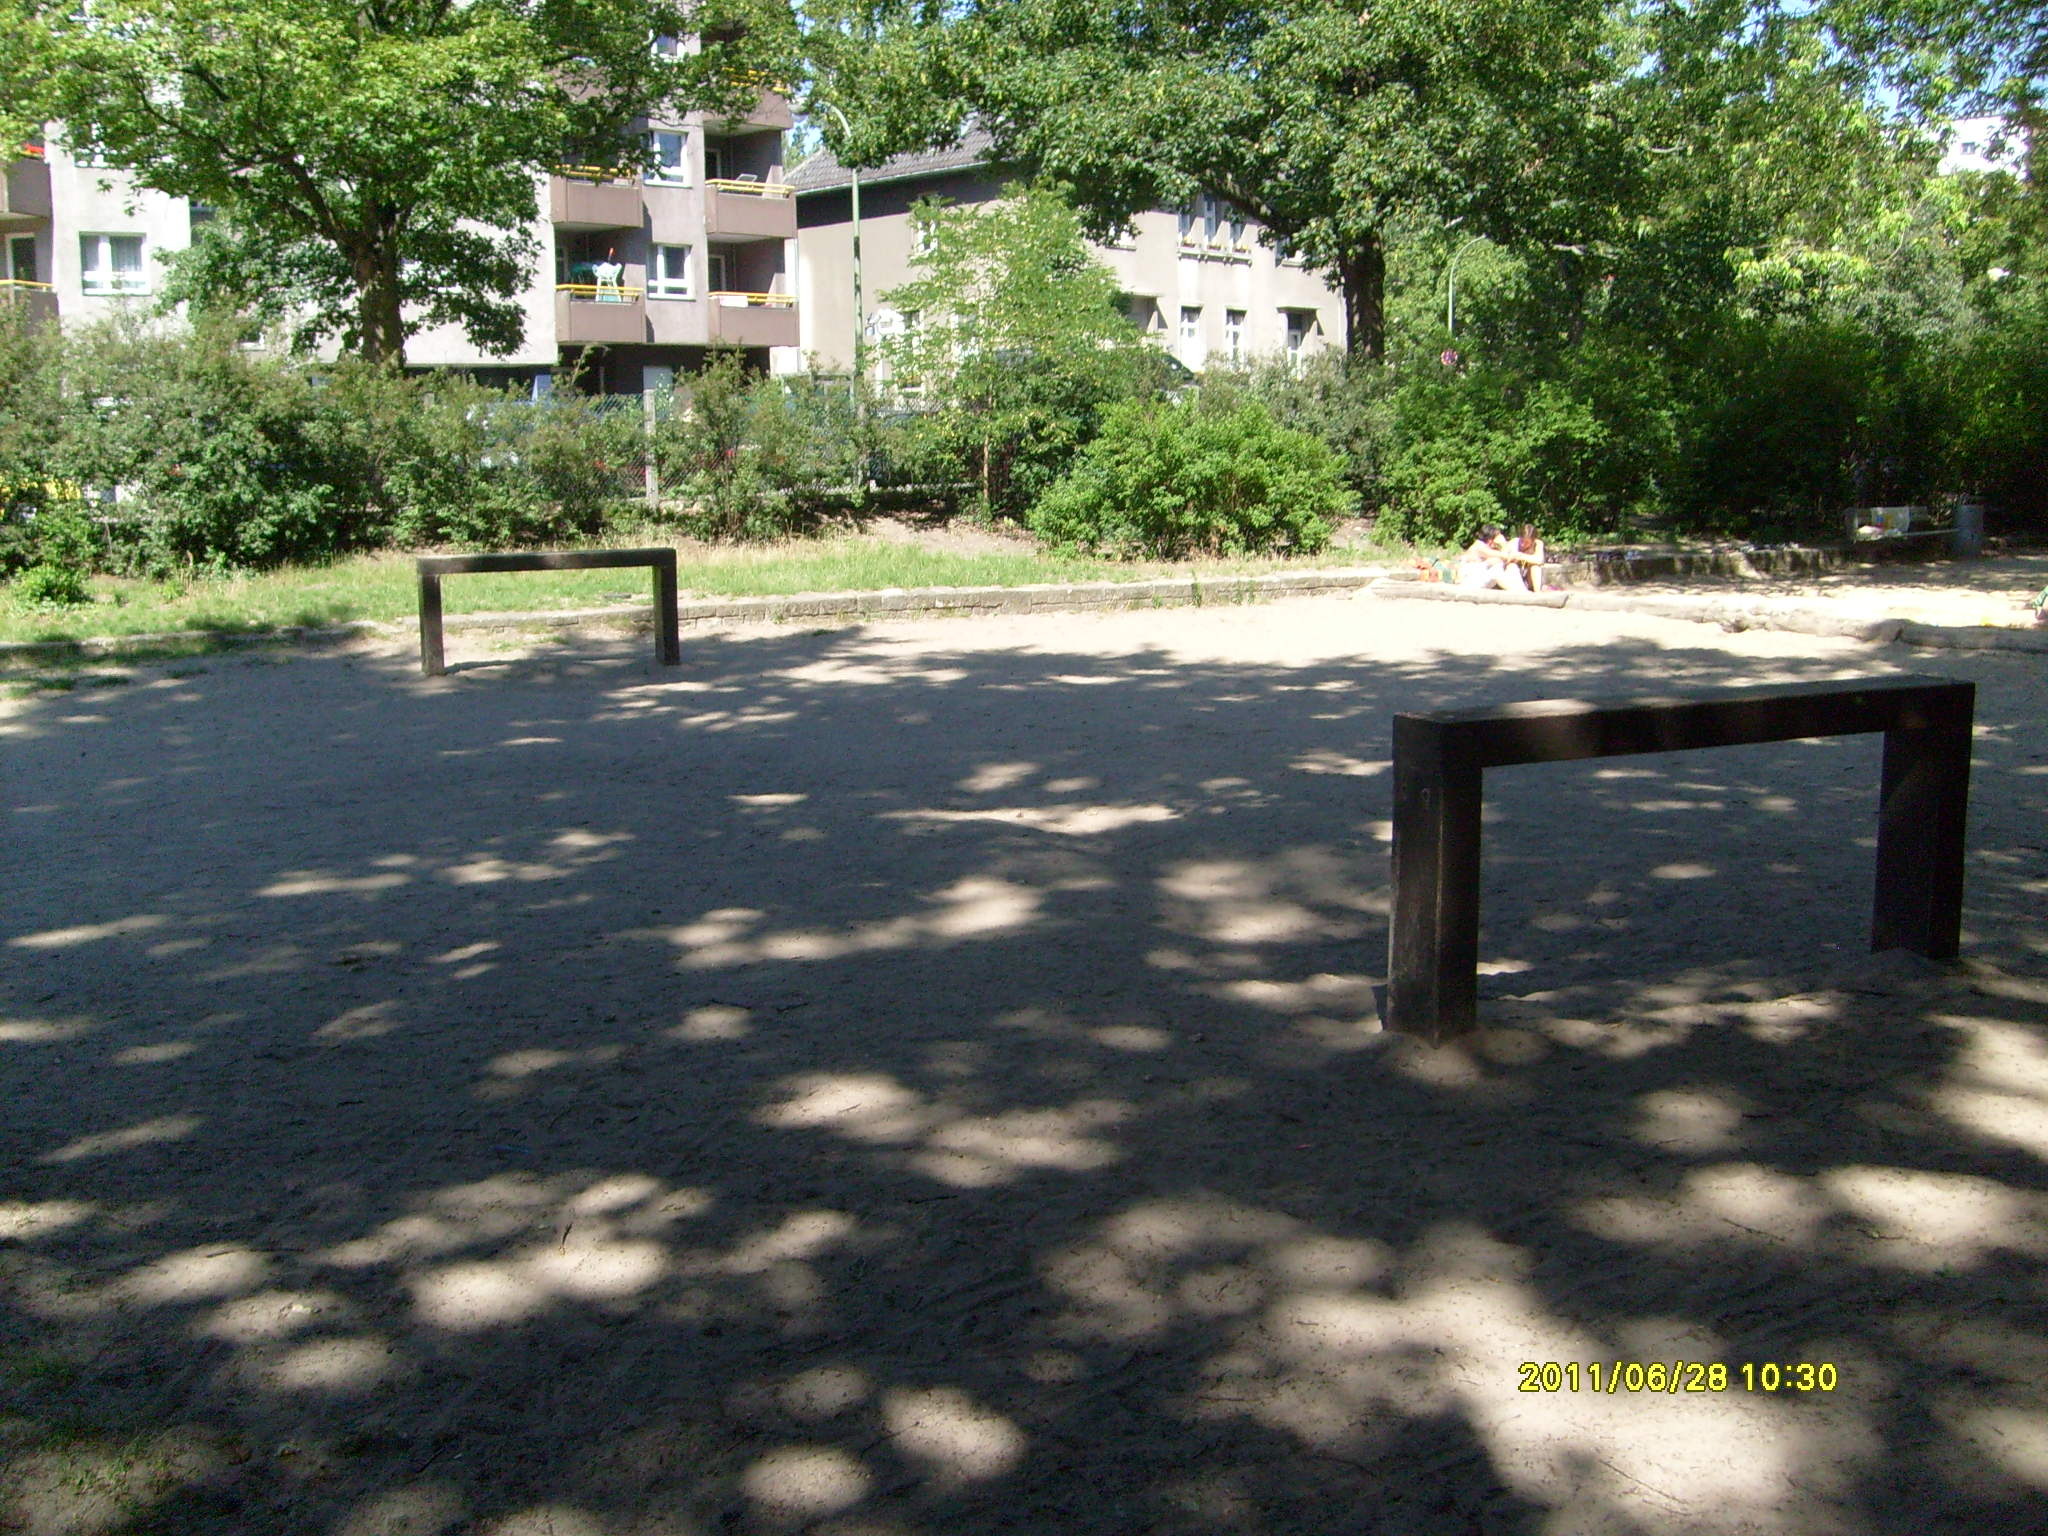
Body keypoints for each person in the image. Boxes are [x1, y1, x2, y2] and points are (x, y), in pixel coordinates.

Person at [1457, 523, 1526, 591]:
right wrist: (1503, 543)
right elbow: (1505, 556)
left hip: (1473, 580)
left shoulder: (1483, 547)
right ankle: (1519, 592)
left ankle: (1522, 591)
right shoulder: (1479, 547)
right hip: (1468, 583)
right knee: (1497, 569)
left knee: (1510, 566)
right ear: (1490, 539)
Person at [1504, 522, 1547, 592]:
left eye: (1527, 542)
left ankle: (1537, 592)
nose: (1523, 544)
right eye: (1521, 541)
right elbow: (1504, 559)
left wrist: (1520, 556)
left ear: (1533, 541)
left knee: (1535, 567)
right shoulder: (1513, 543)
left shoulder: (1538, 544)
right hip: (1515, 578)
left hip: (1528, 579)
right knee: (1511, 566)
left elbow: (1539, 560)